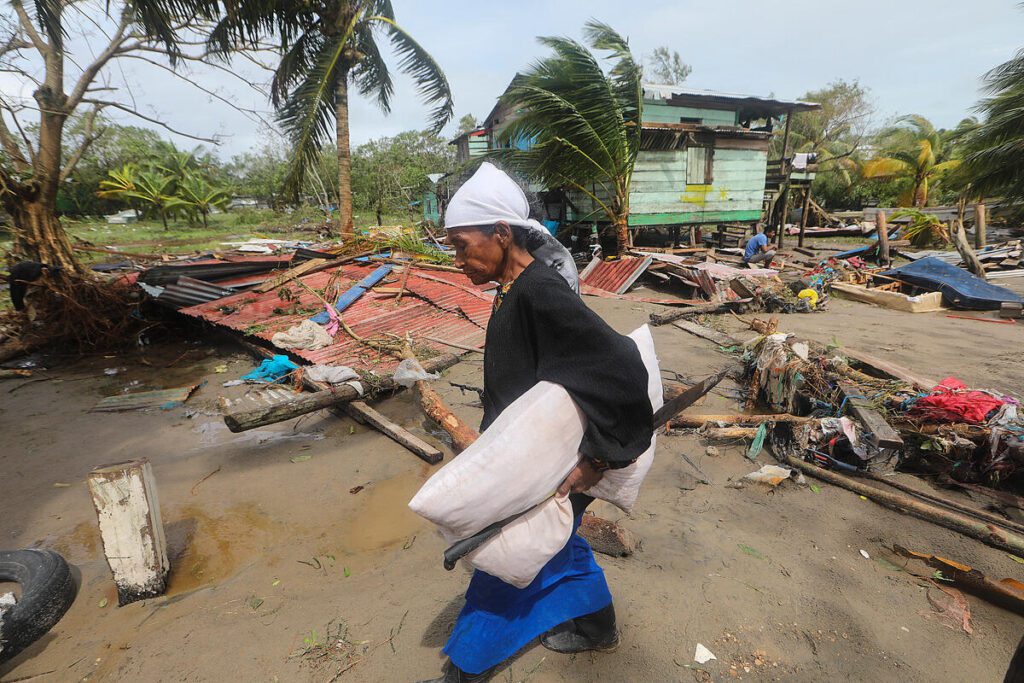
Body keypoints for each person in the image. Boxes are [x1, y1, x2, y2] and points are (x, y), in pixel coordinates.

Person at [418, 163, 653, 683]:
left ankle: (464, 669)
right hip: (526, 457)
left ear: (502, 234)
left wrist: (597, 459)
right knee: (559, 546)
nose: (458, 260)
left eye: (461, 245)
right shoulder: (512, 288)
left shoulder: (539, 291)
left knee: (500, 560)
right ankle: (597, 626)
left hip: (553, 465)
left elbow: (621, 368)